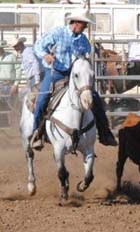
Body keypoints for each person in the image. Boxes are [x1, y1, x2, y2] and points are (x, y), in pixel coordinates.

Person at [31, 9, 117, 149]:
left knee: (95, 98)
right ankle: (37, 133)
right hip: (56, 72)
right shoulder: (58, 33)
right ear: (77, 23)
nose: (86, 27)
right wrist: (45, 55)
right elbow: (38, 46)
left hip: (75, 75)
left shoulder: (83, 40)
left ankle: (105, 133)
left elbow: (85, 57)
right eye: (85, 24)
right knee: (42, 99)